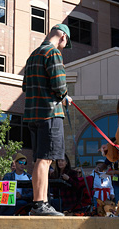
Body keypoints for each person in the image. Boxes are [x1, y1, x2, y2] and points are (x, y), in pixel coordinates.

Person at [22, 23, 72, 216]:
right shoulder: (53, 54)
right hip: (50, 114)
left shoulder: (32, 55)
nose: (62, 48)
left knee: (39, 160)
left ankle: (39, 204)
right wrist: (65, 97)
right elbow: (59, 86)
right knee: (45, 160)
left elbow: (25, 87)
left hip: (32, 116)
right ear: (62, 38)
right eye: (64, 44)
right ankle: (40, 205)